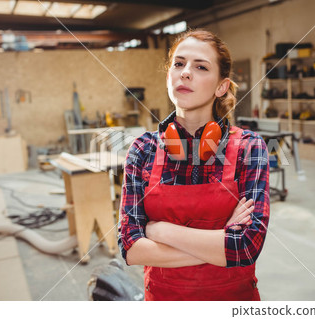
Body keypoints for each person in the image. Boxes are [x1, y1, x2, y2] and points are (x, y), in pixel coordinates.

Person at [118, 29, 270, 301]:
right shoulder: (142, 150)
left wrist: (158, 230)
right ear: (169, 78)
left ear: (221, 86)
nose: (185, 72)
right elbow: (131, 249)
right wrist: (220, 241)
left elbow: (246, 247)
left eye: (200, 66)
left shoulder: (249, 147)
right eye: (179, 64)